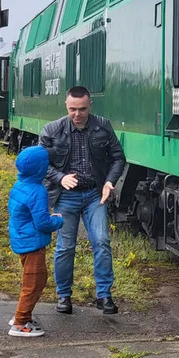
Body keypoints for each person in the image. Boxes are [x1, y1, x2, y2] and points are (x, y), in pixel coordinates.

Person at [40, 86, 126, 315]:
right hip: (65, 195)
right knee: (65, 247)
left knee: (101, 241)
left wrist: (110, 181)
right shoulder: (52, 130)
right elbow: (40, 163)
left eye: (82, 109)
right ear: (66, 106)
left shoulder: (103, 126)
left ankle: (104, 295)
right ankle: (63, 296)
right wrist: (60, 177)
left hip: (94, 195)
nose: (77, 114)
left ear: (90, 106)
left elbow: (118, 158)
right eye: (72, 109)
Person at [8, 146, 64, 337]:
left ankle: (24, 314)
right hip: (32, 244)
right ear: (40, 168)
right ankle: (20, 322)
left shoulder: (20, 184)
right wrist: (58, 220)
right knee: (34, 283)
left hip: (22, 240)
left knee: (33, 280)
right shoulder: (37, 190)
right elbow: (43, 223)